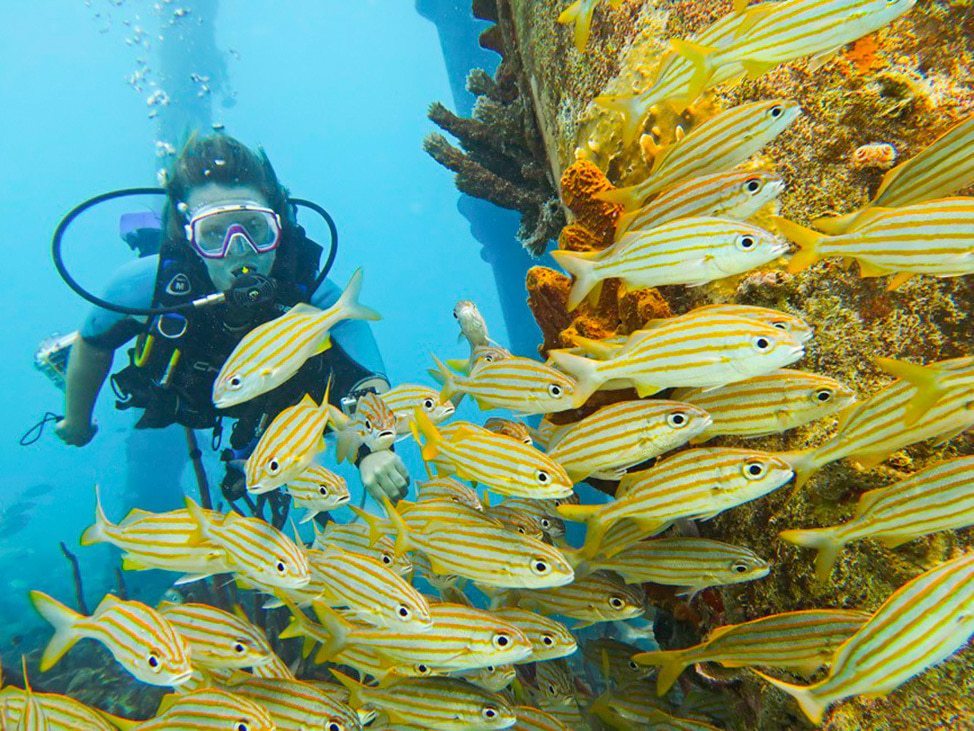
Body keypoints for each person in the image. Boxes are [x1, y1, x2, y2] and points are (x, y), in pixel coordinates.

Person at [55, 134, 410, 503]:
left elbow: (362, 371)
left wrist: (375, 449)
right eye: (213, 234)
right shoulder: (142, 285)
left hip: (258, 401)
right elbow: (93, 344)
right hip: (188, 391)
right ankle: (149, 234)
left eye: (255, 229)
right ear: (189, 238)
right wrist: (76, 420)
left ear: (279, 226)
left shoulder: (311, 289)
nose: (238, 251)